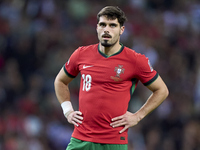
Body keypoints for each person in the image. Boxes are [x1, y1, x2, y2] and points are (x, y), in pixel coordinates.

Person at [54, 6, 169, 150]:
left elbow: (162, 90)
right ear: (97, 28)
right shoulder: (81, 54)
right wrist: (68, 111)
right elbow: (60, 81)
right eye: (103, 25)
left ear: (122, 30)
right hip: (80, 139)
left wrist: (138, 116)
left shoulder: (135, 60)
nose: (106, 30)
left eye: (112, 25)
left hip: (113, 142)